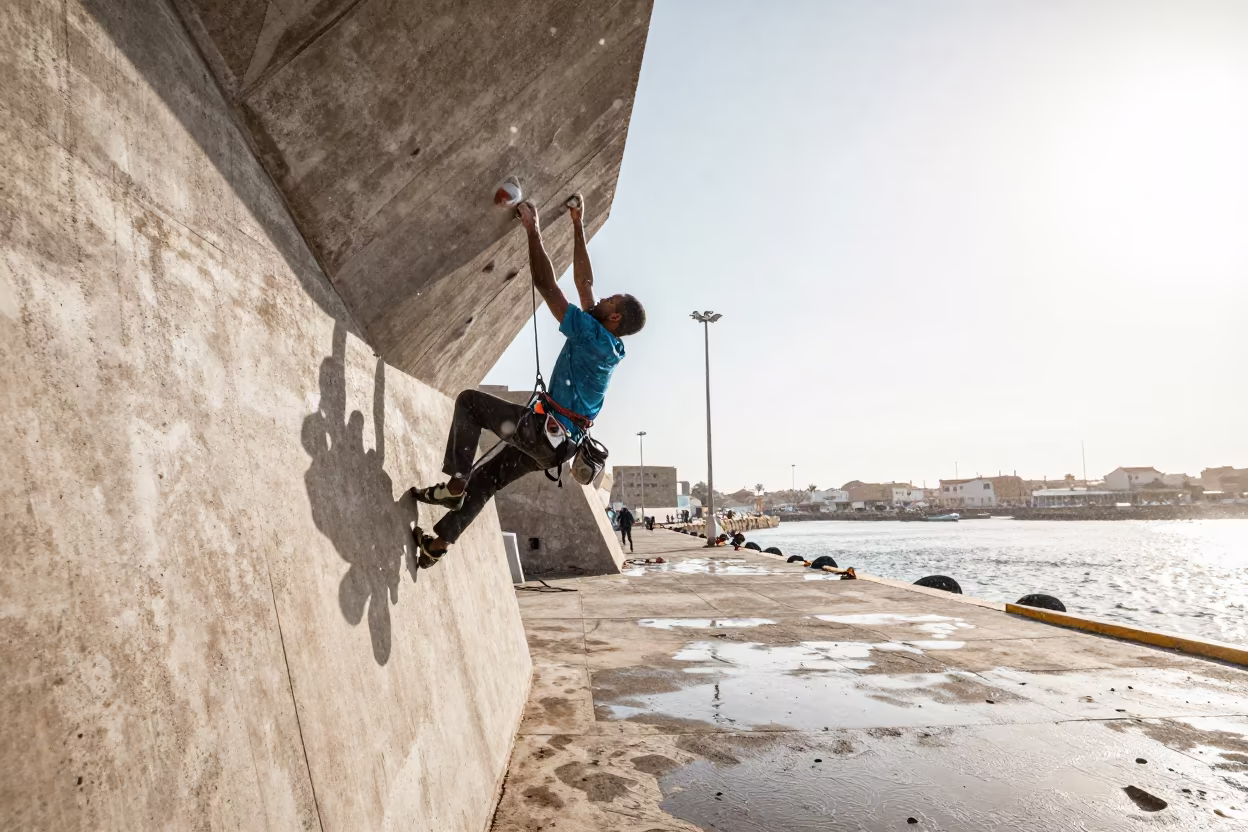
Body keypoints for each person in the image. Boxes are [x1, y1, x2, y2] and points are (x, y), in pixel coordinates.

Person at [409, 195, 647, 567]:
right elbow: (585, 283)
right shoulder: (608, 343)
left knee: (470, 403)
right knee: (487, 480)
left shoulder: (592, 336)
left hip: (543, 432)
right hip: (558, 447)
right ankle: (437, 545)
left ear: (614, 318)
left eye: (609, 301)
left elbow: (546, 285)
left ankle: (455, 484)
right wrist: (577, 223)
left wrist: (532, 230)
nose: (601, 298)